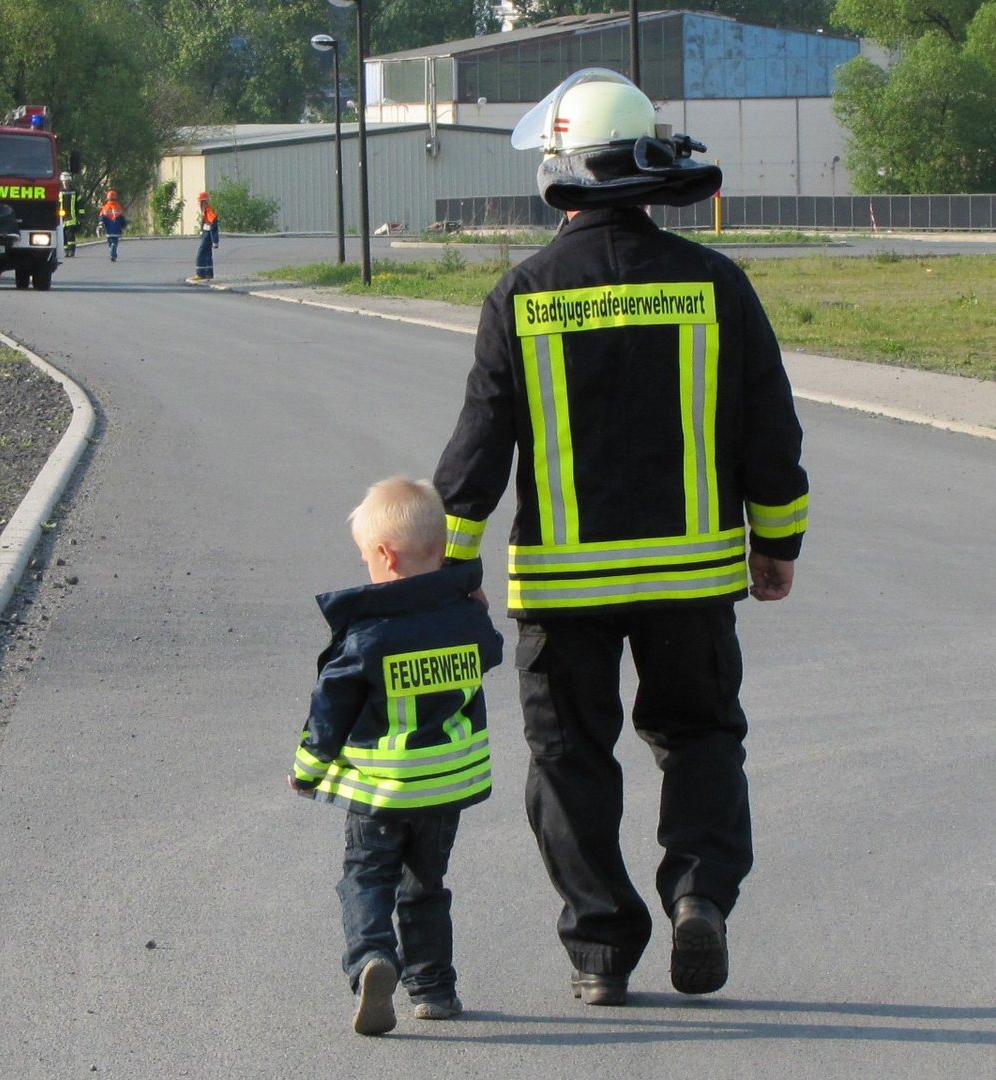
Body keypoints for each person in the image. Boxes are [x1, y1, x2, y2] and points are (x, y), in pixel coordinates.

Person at [431, 69, 809, 1007]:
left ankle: (600, 953)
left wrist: (449, 565)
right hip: (691, 579)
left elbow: (477, 447)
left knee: (567, 762)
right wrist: (777, 542)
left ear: (560, 169)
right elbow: (770, 430)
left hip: (563, 588)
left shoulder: (520, 294)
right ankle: (697, 896)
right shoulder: (714, 282)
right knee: (700, 735)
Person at [289, 476, 502, 1036]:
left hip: (381, 787)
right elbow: (494, 650)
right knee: (426, 883)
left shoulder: (369, 633)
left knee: (366, 875)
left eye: (367, 559)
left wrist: (306, 770)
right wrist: (470, 599)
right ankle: (433, 989)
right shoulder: (467, 620)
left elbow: (329, 710)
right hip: (445, 786)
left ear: (383, 555)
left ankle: (371, 960)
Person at [189, 190, 219, 281]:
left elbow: (213, 226)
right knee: (207, 254)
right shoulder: (206, 210)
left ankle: (201, 274)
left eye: (200, 202)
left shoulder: (209, 211)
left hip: (208, 236)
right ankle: (208, 274)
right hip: (206, 234)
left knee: (201, 254)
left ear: (204, 202)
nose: (199, 204)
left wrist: (215, 241)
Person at [95, 189, 125, 261]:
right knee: (115, 241)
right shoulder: (119, 207)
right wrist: (123, 225)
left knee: (109, 241)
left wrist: (101, 224)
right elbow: (122, 218)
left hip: (108, 229)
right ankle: (113, 249)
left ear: (107, 198)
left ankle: (111, 248)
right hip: (117, 229)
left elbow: (101, 218)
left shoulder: (105, 208)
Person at [58, 173, 79, 258]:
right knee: (63, 235)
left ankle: (72, 250)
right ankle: (66, 250)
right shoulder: (58, 191)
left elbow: (79, 204)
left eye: (66, 181)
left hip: (71, 217)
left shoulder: (75, 192)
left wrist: (81, 216)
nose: (65, 183)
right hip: (61, 217)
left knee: (70, 234)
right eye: (64, 181)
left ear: (69, 181)